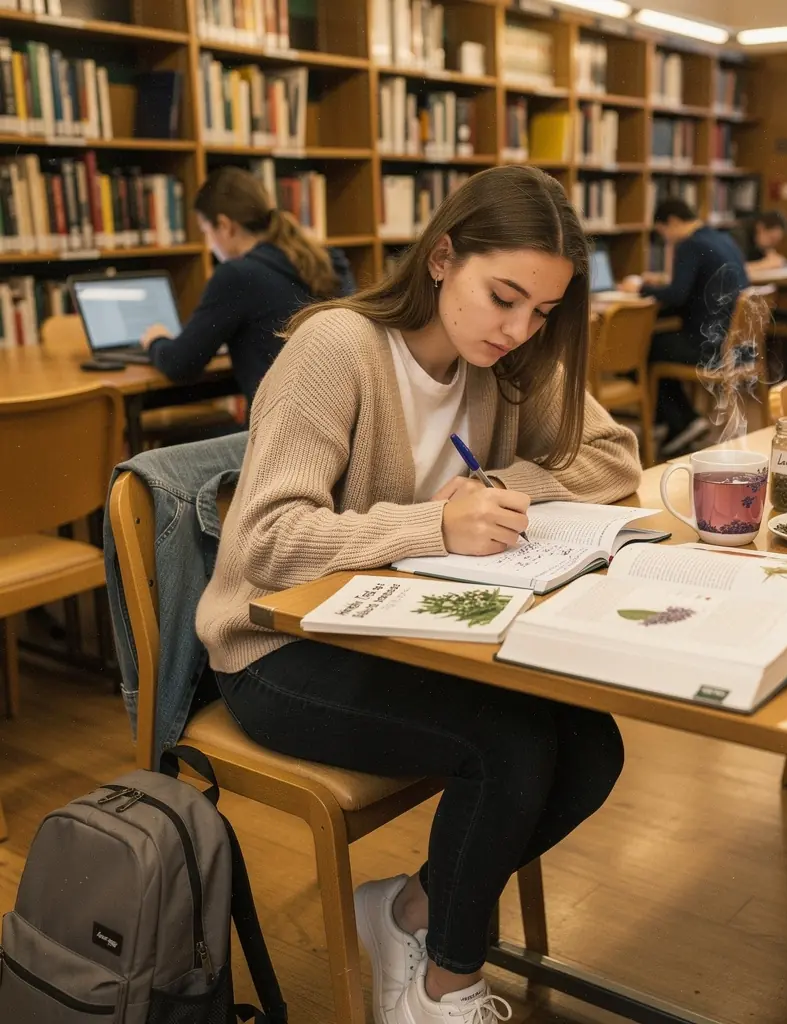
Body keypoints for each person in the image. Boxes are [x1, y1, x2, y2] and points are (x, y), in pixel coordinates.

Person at [194, 166, 641, 1024]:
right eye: (504, 296)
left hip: (408, 633)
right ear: (441, 258)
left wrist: (505, 484)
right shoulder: (337, 348)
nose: (518, 329)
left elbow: (613, 453)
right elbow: (266, 540)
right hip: (279, 647)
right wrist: (432, 528)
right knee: (508, 741)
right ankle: (441, 994)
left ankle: (409, 911)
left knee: (592, 744)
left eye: (543, 311)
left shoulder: (503, 359)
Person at [140, 166, 357, 409]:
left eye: (206, 231)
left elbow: (180, 364)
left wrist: (155, 339)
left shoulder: (236, 275)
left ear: (225, 226)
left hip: (282, 433)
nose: (210, 243)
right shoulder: (329, 259)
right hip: (346, 422)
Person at [621, 197, 749, 456]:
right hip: (735, 345)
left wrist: (642, 287)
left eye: (663, 233)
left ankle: (678, 422)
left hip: (708, 345)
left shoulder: (690, 245)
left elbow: (677, 295)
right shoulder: (723, 238)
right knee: (658, 343)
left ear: (673, 222)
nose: (666, 241)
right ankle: (677, 421)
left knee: (640, 348)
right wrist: (663, 284)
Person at [730, 210, 787, 274]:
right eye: (772, 239)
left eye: (776, 242)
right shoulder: (738, 235)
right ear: (761, 228)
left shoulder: (758, 243)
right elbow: (732, 269)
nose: (772, 245)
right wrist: (766, 264)